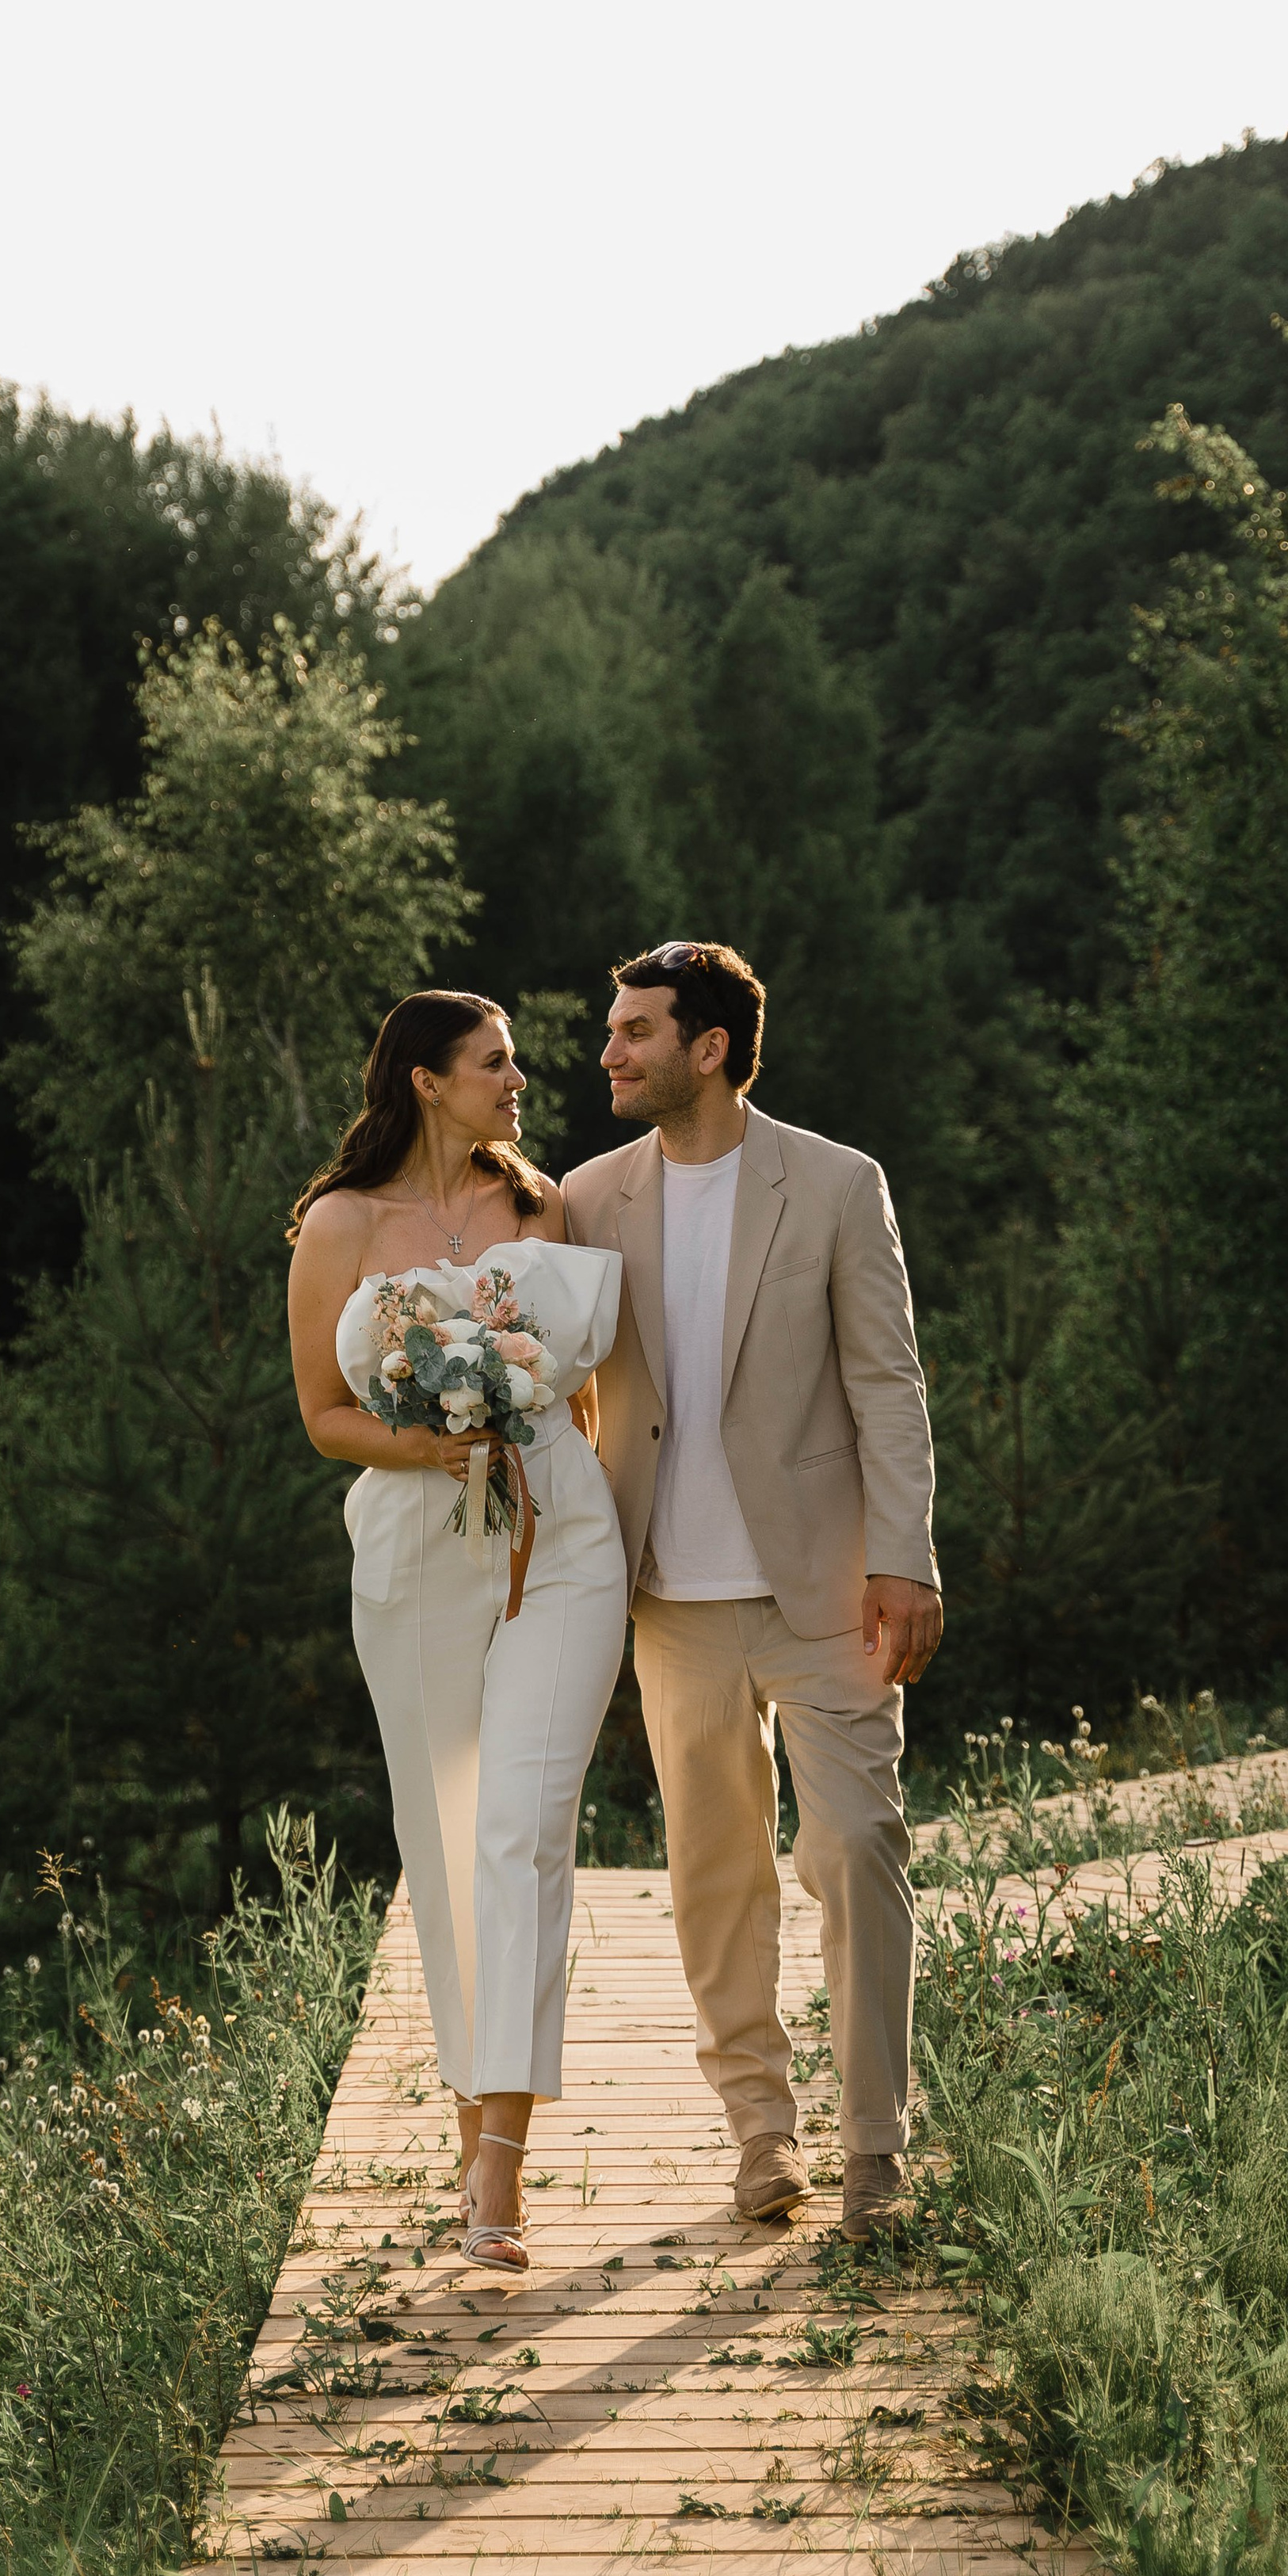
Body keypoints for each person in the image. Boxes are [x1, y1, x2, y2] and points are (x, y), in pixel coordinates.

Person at [561, 942, 942, 2244]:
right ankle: (760, 2135)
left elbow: (888, 1382)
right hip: (670, 1594)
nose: (609, 1053)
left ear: (709, 1046)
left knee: (855, 1849)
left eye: (634, 1031)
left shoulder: (836, 1184)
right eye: (612, 1032)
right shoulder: (586, 1196)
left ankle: (878, 2153)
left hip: (826, 1587)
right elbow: (555, 1379)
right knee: (715, 1872)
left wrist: (908, 1555)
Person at [288, 991, 627, 2269]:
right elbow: (323, 1411)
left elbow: (586, 1388)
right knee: (445, 1837)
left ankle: (500, 2163)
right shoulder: (341, 1224)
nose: (520, 1079)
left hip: (561, 1535)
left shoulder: (541, 1206)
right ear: (426, 1081)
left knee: (524, 1826)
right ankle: (473, 2095)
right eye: (495, 1063)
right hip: (418, 1543)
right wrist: (426, 1443)